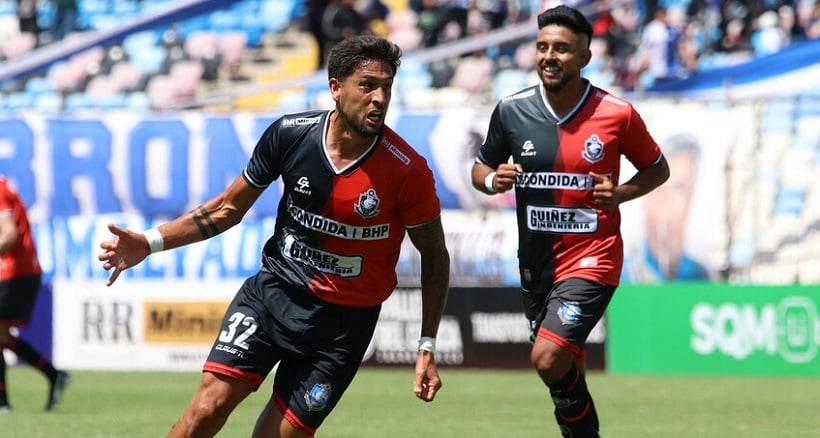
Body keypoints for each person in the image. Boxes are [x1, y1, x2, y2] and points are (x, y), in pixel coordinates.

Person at [98, 35, 450, 438]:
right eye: (367, 85)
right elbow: (227, 208)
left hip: (341, 329)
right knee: (206, 410)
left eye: (386, 87)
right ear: (335, 87)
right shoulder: (290, 135)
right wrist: (150, 242)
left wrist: (427, 345)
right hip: (272, 297)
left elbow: (435, 257)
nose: (379, 98)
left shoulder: (407, 170)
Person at [470, 5, 669, 437]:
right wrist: (491, 181)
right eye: (542, 47)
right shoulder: (511, 110)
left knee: (547, 357)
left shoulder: (616, 113)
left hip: (593, 258)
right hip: (537, 263)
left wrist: (620, 193)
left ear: (584, 56)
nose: (549, 56)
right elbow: (480, 168)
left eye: (561, 48)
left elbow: (658, 169)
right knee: (565, 363)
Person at [0, 176, 71, 413]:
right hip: (20, 270)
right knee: (3, 337)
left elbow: (9, 234)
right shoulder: (4, 185)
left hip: (16, 272)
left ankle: (2, 404)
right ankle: (53, 375)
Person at [624, 132, 708, 282]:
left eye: (678, 188)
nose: (665, 201)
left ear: (691, 197)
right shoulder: (622, 274)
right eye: (657, 187)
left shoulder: (701, 277)